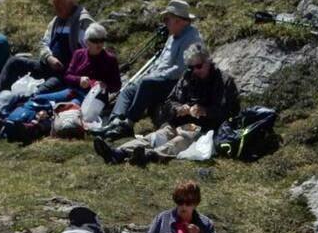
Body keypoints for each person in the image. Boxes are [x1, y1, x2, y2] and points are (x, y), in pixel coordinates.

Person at [93, 44, 239, 165]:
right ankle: (118, 152)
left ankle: (149, 156)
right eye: (191, 67)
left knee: (179, 141)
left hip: (204, 128)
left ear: (209, 62)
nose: (195, 71)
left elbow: (228, 112)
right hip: (180, 123)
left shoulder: (224, 81)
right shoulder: (188, 77)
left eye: (199, 66)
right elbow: (171, 101)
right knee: (156, 136)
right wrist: (178, 109)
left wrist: (205, 111)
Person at [98, 0, 203, 140]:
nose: (165, 23)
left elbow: (180, 70)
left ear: (178, 20)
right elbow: (161, 61)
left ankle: (128, 124)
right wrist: (152, 73)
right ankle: (114, 122)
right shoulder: (173, 36)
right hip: (161, 78)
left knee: (146, 83)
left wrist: (156, 76)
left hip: (177, 83)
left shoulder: (192, 38)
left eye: (167, 19)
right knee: (128, 90)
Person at [0, 0, 94, 93]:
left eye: (60, 4)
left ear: (70, 3)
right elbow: (42, 43)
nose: (57, 8)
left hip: (66, 74)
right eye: (55, 4)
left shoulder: (83, 23)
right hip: (47, 65)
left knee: (39, 92)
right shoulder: (56, 21)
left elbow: (92, 55)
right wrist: (49, 58)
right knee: (14, 62)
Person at [61, 23, 121, 97]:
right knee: (46, 98)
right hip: (73, 91)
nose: (99, 44)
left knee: (69, 104)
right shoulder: (78, 54)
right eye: (95, 40)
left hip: (94, 97)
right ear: (86, 41)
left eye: (102, 40)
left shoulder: (111, 59)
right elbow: (67, 76)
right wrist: (79, 80)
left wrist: (104, 85)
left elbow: (117, 86)